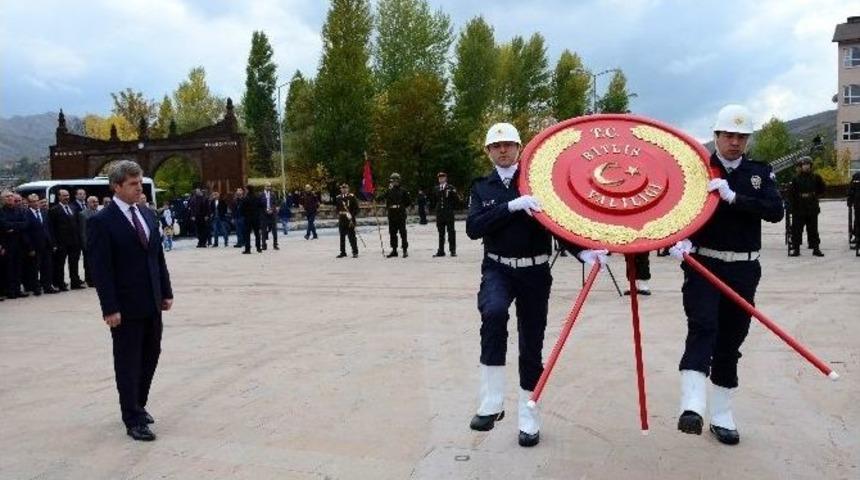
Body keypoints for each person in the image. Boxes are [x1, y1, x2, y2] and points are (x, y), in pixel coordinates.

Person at [466, 122, 601, 447]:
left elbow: (558, 224)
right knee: (494, 313)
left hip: (534, 272)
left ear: (519, 147)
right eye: (496, 146)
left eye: (509, 145)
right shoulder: (482, 188)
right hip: (498, 267)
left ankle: (529, 414)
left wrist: (583, 252)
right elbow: (474, 228)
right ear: (487, 152)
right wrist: (510, 207)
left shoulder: (538, 181)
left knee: (532, 343)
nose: (503, 150)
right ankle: (492, 401)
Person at [668, 104, 783, 445]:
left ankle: (722, 414)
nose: (735, 142)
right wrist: (677, 239)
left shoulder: (758, 172)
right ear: (715, 136)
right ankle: (691, 406)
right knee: (703, 326)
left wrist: (735, 198)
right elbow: (672, 208)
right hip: (704, 264)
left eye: (741, 136)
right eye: (728, 135)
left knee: (731, 340)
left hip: (745, 267)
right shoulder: (695, 170)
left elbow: (776, 211)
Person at [87, 160, 173, 442]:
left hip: (151, 300)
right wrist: (109, 308)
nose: (139, 188)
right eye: (133, 184)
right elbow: (101, 269)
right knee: (128, 361)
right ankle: (132, 417)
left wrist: (166, 291)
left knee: (152, 354)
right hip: (124, 306)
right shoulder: (101, 221)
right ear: (117, 186)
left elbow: (156, 256)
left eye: (140, 183)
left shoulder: (147, 214)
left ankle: (139, 403)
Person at [788, 156, 826, 257]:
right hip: (799, 207)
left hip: (812, 206)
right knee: (797, 229)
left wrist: (814, 195)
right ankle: (796, 249)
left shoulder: (816, 177)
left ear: (811, 166)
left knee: (813, 229)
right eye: (804, 164)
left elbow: (822, 188)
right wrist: (792, 207)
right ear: (801, 166)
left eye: (808, 164)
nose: (806, 166)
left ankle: (816, 249)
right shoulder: (795, 178)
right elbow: (791, 193)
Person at [49, 189, 85, 290]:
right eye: (64, 196)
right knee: (60, 264)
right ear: (59, 197)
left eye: (68, 195)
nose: (66, 197)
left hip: (74, 241)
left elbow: (77, 225)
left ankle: (75, 282)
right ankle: (60, 283)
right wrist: (54, 243)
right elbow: (52, 228)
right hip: (61, 242)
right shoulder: (54, 210)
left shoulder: (73, 207)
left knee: (74, 263)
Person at [23, 194, 57, 295]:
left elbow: (50, 229)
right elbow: (26, 233)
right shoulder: (26, 214)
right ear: (29, 203)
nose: (35, 203)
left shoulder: (44, 212)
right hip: (35, 246)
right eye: (33, 201)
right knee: (34, 268)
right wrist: (30, 248)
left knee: (47, 267)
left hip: (46, 244)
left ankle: (47, 286)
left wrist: (53, 243)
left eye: (37, 201)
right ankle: (35, 288)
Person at [1, 189, 31, 299]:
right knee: (9, 268)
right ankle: (10, 291)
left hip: (20, 243)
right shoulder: (2, 211)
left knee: (19, 267)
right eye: (7, 197)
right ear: (2, 199)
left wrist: (13, 227)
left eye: (11, 196)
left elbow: (25, 224)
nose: (10, 198)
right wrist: (15, 226)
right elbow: (4, 225)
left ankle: (18, 290)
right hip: (8, 244)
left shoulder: (20, 210)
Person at [383, 172, 411, 258]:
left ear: (399, 181)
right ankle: (394, 250)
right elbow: (383, 198)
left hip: (400, 213)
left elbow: (408, 202)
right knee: (392, 232)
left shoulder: (403, 190)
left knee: (403, 232)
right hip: (392, 213)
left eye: (396, 180)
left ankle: (405, 250)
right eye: (393, 180)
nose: (394, 182)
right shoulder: (389, 190)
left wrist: (401, 207)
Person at [432, 172, 460, 257]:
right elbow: (434, 200)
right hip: (440, 214)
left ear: (446, 178)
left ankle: (452, 250)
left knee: (451, 232)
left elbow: (456, 200)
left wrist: (451, 207)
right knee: (441, 233)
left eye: (442, 177)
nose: (441, 179)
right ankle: (441, 251)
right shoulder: (436, 188)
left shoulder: (451, 188)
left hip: (448, 213)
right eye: (439, 177)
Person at [79, 196, 100, 286]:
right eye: (93, 202)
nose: (95, 203)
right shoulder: (83, 214)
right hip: (89, 243)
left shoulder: (99, 212)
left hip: (98, 243)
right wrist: (85, 245)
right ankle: (90, 280)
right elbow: (82, 231)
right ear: (88, 203)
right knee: (88, 263)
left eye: (97, 201)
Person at [335, 183, 359, 258]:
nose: (344, 189)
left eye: (345, 188)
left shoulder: (352, 197)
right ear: (341, 189)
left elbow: (357, 209)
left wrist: (352, 215)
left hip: (350, 219)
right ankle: (343, 252)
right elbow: (337, 209)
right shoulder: (338, 198)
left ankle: (355, 252)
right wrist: (339, 214)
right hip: (342, 219)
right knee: (342, 236)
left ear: (348, 189)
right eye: (342, 188)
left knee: (351, 236)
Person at [240, 185, 263, 254]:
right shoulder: (257, 197)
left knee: (247, 234)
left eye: (245, 189)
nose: (245, 190)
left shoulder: (246, 198)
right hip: (256, 218)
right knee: (257, 233)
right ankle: (258, 248)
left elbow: (242, 208)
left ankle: (248, 249)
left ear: (248, 190)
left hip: (248, 218)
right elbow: (261, 206)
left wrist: (244, 214)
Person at [260, 183, 279, 251]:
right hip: (264, 215)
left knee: (274, 230)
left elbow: (275, 203)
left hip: (272, 214)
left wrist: (272, 210)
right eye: (267, 186)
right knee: (263, 230)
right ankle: (264, 245)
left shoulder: (273, 194)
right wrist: (265, 210)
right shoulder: (261, 195)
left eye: (270, 186)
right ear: (264, 187)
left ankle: (275, 244)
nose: (269, 187)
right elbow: (259, 205)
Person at [849, 171, 860, 256]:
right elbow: (851, 189)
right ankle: (857, 238)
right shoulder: (856, 176)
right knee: (857, 221)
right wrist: (850, 200)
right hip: (858, 203)